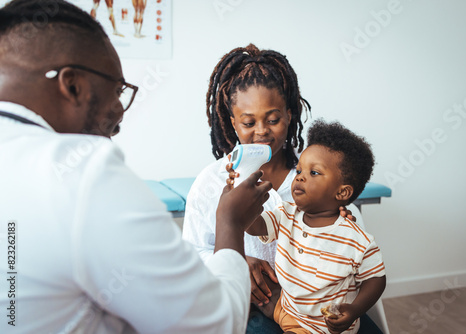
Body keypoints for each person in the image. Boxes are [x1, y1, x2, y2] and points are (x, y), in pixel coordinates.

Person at [0, 1, 271, 333]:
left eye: (273, 119)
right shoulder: (85, 173)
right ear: (72, 86)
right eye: (117, 91)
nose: (119, 116)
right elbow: (217, 325)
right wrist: (230, 223)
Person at [181, 44, 364, 333]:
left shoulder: (315, 177)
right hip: (252, 308)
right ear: (232, 123)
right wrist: (237, 261)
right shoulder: (212, 182)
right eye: (249, 122)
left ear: (290, 116)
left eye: (273, 119)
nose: (262, 131)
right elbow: (192, 254)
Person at [228, 120, 386, 334]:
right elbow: (254, 227)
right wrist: (242, 199)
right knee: (248, 283)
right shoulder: (286, 213)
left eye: (314, 173)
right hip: (288, 305)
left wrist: (355, 309)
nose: (300, 176)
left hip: (318, 326)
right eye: (300, 169)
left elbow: (376, 279)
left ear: (342, 193)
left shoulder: (355, 239)